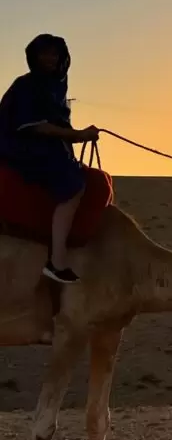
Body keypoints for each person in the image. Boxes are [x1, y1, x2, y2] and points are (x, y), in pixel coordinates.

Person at [0, 34, 100, 284]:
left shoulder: (55, 87)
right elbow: (33, 126)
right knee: (73, 185)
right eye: (44, 53)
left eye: (54, 53)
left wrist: (77, 136)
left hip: (45, 148)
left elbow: (54, 124)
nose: (50, 58)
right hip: (22, 147)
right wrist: (76, 135)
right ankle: (57, 261)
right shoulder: (28, 85)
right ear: (33, 57)